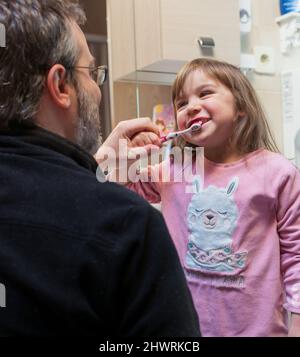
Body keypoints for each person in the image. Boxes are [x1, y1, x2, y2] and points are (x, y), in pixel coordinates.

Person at [0, 0, 200, 337]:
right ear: (60, 85)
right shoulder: (126, 226)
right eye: (92, 73)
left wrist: (96, 165)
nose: (96, 87)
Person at [112, 58, 300, 337]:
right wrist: (124, 154)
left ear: (241, 107)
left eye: (205, 93)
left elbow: (296, 254)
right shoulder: (176, 168)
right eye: (181, 103)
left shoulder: (277, 173)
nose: (191, 107)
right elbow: (111, 189)